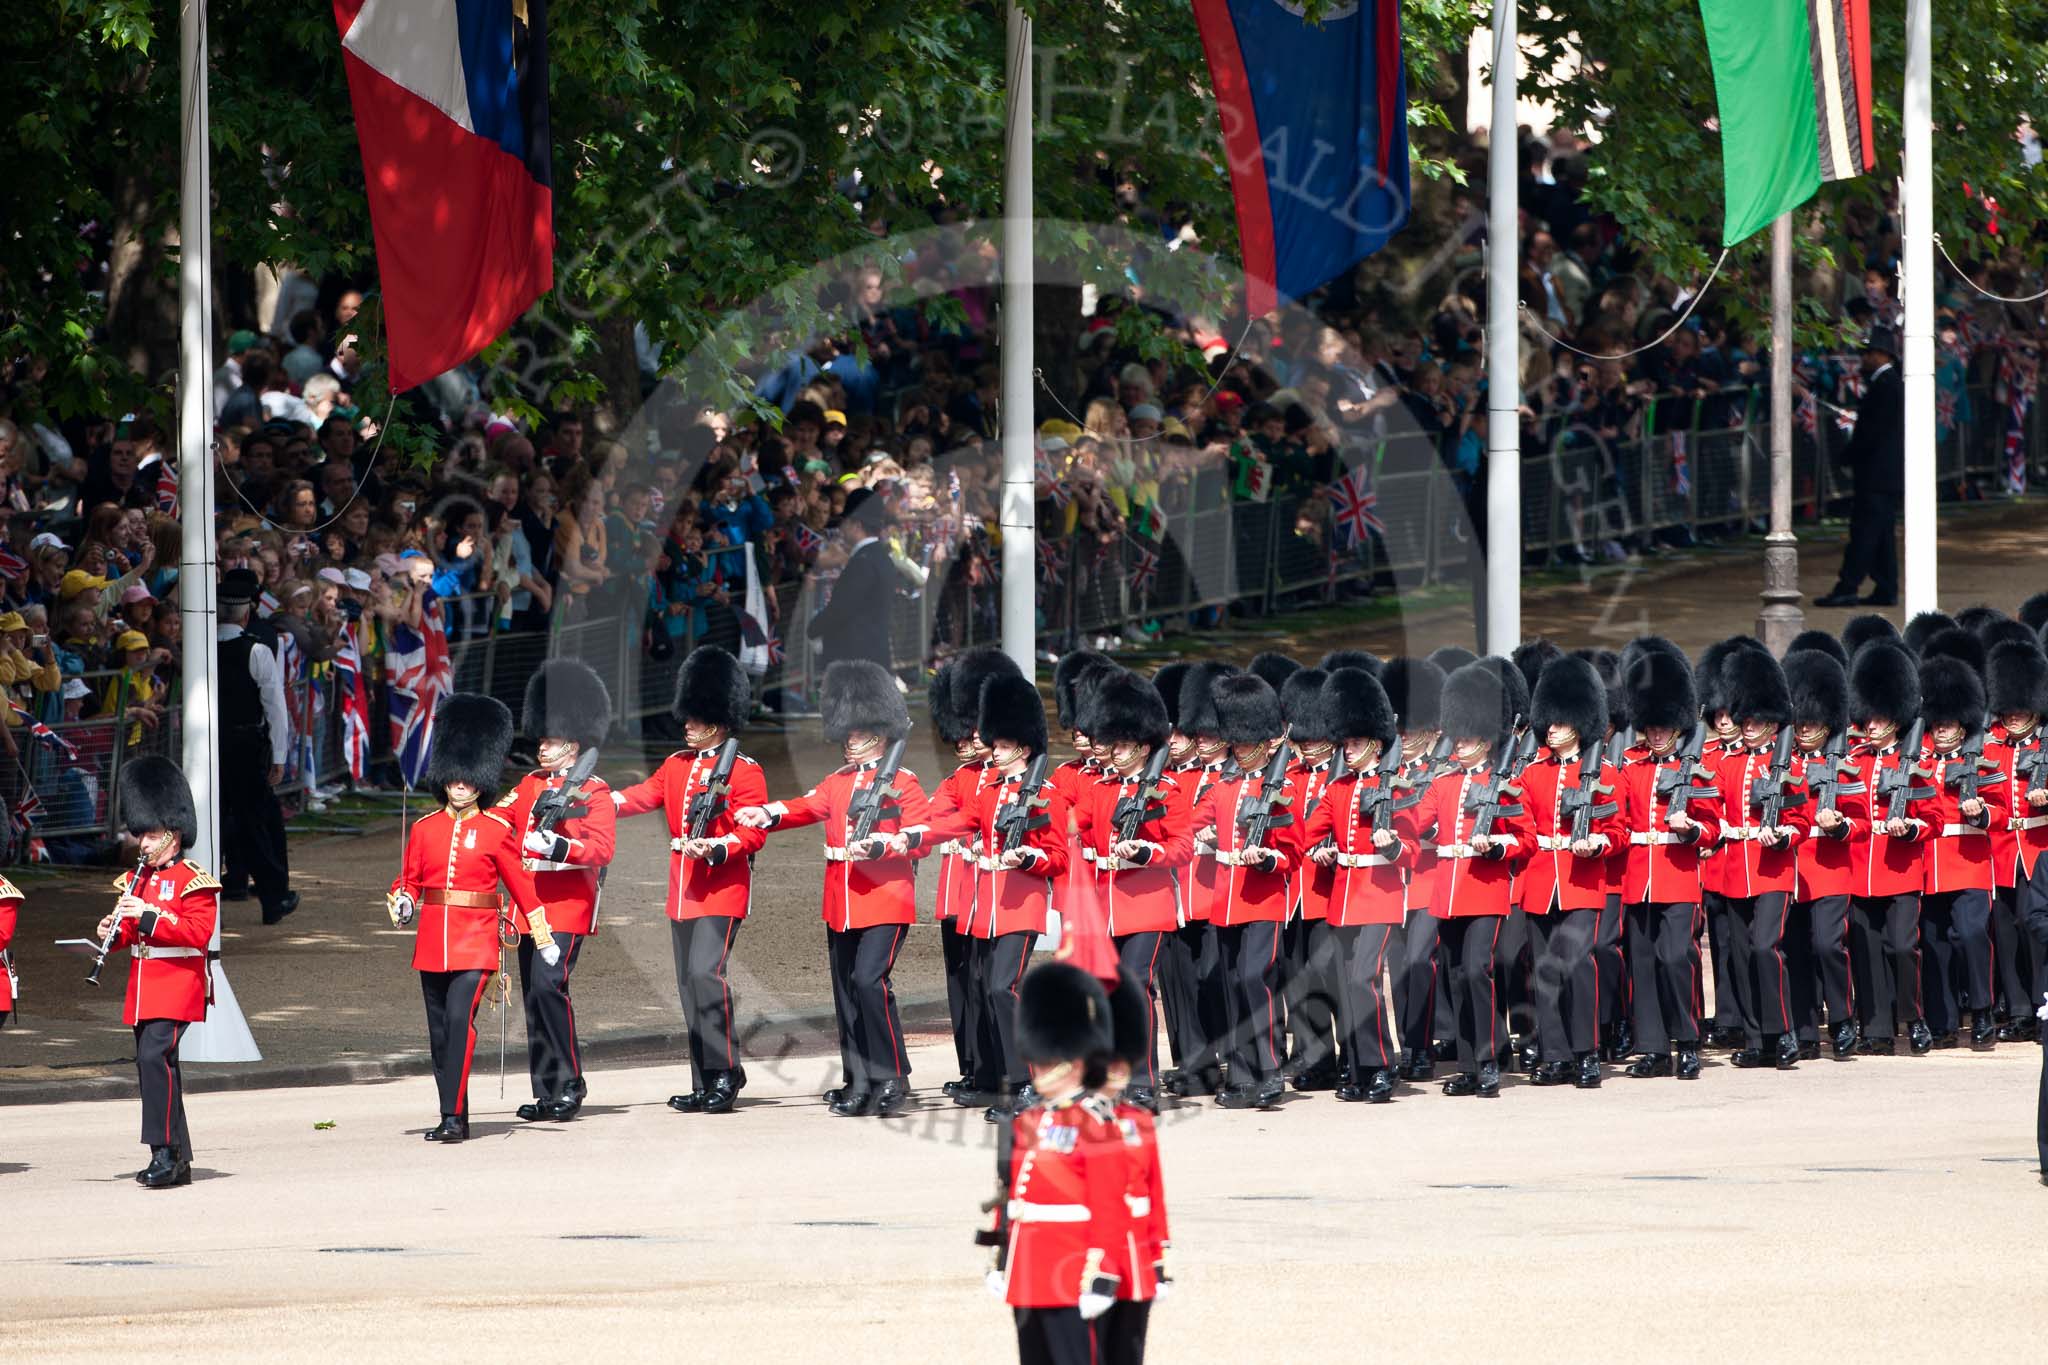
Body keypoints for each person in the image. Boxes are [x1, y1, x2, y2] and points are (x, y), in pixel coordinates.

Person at [735, 659, 929, 1117]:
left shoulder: (903, 782)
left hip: (886, 900)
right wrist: (766, 814)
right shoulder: (838, 781)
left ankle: (891, 1076)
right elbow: (806, 805)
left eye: (857, 735)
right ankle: (858, 1079)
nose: (849, 741)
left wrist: (884, 844)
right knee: (846, 991)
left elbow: (922, 834)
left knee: (869, 981)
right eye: (847, 733)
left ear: (878, 735)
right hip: (841, 902)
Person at [612, 645, 768, 1115]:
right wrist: (597, 802)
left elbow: (753, 830)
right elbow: (643, 796)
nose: (687, 726)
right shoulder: (678, 764)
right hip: (684, 888)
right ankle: (705, 1079)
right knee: (687, 983)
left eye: (696, 720)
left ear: (718, 721)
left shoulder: (744, 771)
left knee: (706, 974)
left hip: (721, 886)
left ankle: (726, 1071)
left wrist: (721, 847)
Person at [387, 694, 546, 1144]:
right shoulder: (423, 829)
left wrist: (541, 931)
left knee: (459, 1021)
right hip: (432, 944)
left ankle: (455, 1118)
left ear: (481, 779)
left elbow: (519, 884)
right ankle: (451, 1112)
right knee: (439, 1033)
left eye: (468, 778)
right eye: (455, 778)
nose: (460, 785)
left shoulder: (497, 831)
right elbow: (410, 880)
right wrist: (403, 900)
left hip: (476, 943)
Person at [913, 673, 1067, 1119]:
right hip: (986, 910)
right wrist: (909, 835)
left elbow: (1057, 857)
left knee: (1003, 987)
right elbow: (957, 822)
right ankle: (1003, 1079)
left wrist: (1027, 858)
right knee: (985, 989)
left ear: (1021, 748)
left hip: (1022, 907)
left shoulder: (1044, 795)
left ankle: (1028, 1083)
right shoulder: (992, 792)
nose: (991, 752)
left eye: (999, 746)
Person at [976, 962, 1123, 1365]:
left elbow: (1110, 1207)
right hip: (1026, 1269)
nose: (1039, 1069)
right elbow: (1009, 1193)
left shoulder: (1096, 1125)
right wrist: (1001, 1256)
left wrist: (1103, 1273)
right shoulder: (1026, 1123)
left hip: (1071, 1268)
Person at [497, 659, 618, 1122]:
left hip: (566, 907)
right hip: (529, 906)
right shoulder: (528, 785)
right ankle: (547, 1090)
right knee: (533, 996)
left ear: (573, 744)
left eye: (549, 741)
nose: (542, 747)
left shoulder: (593, 791)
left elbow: (601, 848)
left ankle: (570, 1083)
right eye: (542, 739)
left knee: (551, 988)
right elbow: (500, 823)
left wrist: (560, 844)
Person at [1069, 670, 1192, 1113]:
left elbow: (1182, 848)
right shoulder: (1101, 788)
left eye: (1121, 745)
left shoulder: (1166, 790)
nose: (1113, 752)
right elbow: (1071, 828)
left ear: (1142, 745)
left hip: (1148, 905)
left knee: (1136, 985)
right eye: (1112, 744)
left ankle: (1142, 1080)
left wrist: (1147, 853)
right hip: (1106, 904)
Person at [94, 756, 219, 1189]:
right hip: (144, 986)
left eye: (150, 835)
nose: (143, 843)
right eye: (140, 834)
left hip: (179, 983)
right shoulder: (137, 878)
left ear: (173, 833)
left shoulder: (194, 881)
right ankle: (178, 1158)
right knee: (159, 1066)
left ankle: (162, 1153)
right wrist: (115, 928)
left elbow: (197, 933)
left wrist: (146, 916)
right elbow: (133, 931)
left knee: (153, 1059)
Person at [1413, 659, 1530, 1098]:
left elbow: (1525, 838)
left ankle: (1487, 1059)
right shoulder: (1443, 785)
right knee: (1458, 974)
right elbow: (1418, 823)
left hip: (1485, 888)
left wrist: (1499, 848)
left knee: (1479, 971)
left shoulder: (1504, 784)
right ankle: (1467, 1064)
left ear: (1484, 740)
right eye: (1455, 738)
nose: (1457, 746)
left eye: (1465, 740)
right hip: (1449, 892)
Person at [1300, 666, 1414, 1103]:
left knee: (1365, 976)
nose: (1347, 751)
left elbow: (1413, 851)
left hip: (1382, 896)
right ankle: (1359, 1068)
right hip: (1345, 897)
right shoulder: (1339, 788)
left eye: (1355, 743)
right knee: (1348, 983)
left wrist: (1391, 848)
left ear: (1376, 743)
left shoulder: (1397, 787)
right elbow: (1312, 833)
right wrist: (1321, 852)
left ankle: (1383, 1065)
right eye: (1345, 743)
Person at [1187, 673, 1300, 1110]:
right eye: (1234, 741)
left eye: (1243, 741)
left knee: (1256, 979)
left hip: (1265, 898)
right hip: (1226, 900)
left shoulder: (1282, 789)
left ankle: (1270, 1071)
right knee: (1232, 983)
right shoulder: (1225, 787)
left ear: (1264, 741)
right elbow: (1192, 823)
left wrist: (1268, 859)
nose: (1236, 749)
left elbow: (1293, 848)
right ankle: (1240, 1073)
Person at [1516, 656, 1627, 1090]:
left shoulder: (1605, 774)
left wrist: (1597, 843)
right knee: (1545, 968)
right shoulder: (1530, 775)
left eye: (1561, 722)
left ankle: (1586, 1053)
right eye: (1550, 721)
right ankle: (1556, 1055)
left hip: (1582, 881)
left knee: (1579, 966)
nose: (1552, 729)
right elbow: (1524, 831)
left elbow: (1617, 832)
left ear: (1580, 724)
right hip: (1543, 881)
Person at [925, 647, 1026, 1104]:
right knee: (962, 984)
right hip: (961, 892)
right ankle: (976, 1068)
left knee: (990, 985)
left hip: (991, 893)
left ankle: (999, 1070)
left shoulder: (1003, 779)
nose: (964, 741)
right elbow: (931, 816)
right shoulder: (964, 776)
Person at [1617, 648, 1719, 1080]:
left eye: (1664, 726)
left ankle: (1688, 1040)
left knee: (1677, 957)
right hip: (1638, 878)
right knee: (1642, 962)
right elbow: (1618, 820)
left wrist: (1691, 829)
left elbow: (1714, 828)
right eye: (1651, 726)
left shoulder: (1696, 769)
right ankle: (1655, 1049)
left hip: (1678, 877)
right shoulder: (1630, 766)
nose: (1657, 734)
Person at [1709, 651, 1813, 1071]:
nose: (1747, 728)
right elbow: (1712, 809)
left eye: (1754, 722)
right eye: (1744, 721)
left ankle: (1783, 1032)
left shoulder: (1788, 766)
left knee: (1766, 947)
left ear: (1771, 723)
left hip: (1773, 868)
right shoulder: (1728, 763)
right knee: (1741, 953)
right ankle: (1757, 1039)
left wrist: (1784, 833)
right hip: (1736, 869)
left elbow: (1801, 819)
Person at [1845, 642, 1934, 1055]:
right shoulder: (1854, 760)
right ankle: (1876, 1027)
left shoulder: (1914, 759)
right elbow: (1848, 810)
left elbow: (1930, 816)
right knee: (1865, 951)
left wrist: (1909, 826)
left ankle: (1913, 1018)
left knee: (1902, 946)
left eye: (1881, 716)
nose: (1873, 723)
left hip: (1900, 867)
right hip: (1861, 867)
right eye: (1869, 715)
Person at [1915, 655, 2006, 1048]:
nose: (1941, 730)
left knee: (1970, 935)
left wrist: (1982, 812)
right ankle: (1943, 1021)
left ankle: (1983, 1010)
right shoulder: (1916, 758)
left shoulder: (1978, 757)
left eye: (1948, 723)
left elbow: (2001, 806)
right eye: (1937, 723)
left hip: (1969, 860)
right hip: (1927, 862)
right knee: (1934, 945)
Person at [1785, 649, 1864, 1060]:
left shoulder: (1843, 763)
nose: (1805, 728)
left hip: (1830, 865)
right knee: (1796, 949)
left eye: (1813, 720)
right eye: (1800, 720)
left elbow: (1862, 819)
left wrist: (1839, 826)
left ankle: (1842, 1017)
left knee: (1828, 946)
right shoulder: (1780, 763)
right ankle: (1805, 1028)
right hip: (1789, 866)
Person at [1096, 968, 1170, 1365]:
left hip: (1130, 1263)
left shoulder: (1134, 1125)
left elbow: (1152, 1196)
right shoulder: (1040, 1125)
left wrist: (1159, 1259)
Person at [215, 567, 296, 925]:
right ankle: (273, 896)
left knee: (214, 821)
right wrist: (279, 755)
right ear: (247, 612)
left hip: (208, 745)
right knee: (258, 822)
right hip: (246, 745)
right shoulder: (257, 651)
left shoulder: (199, 650)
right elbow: (276, 708)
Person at [1815, 329, 1904, 608]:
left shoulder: (1886, 385)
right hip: (1882, 473)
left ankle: (1848, 585)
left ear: (1882, 355)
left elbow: (1871, 433)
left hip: (1877, 472)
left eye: (1867, 353)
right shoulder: (1887, 383)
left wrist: (1849, 455)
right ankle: (1886, 586)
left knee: (1865, 532)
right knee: (1881, 533)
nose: (1862, 359)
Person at [805, 487, 900, 669]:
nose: (841, 528)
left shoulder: (863, 562)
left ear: (856, 525)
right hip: (872, 657)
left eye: (845, 522)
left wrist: (814, 628)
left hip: (855, 661)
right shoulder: (880, 557)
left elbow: (841, 609)